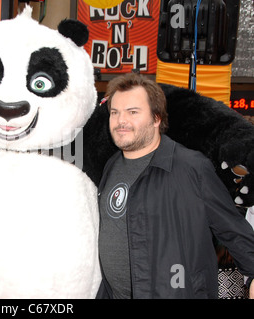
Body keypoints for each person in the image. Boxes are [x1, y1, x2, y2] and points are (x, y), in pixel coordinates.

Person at [97, 73, 254, 299]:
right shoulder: (112, 165)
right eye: (115, 112)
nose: (121, 121)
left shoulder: (190, 167)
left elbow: (232, 228)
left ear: (156, 117)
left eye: (133, 112)